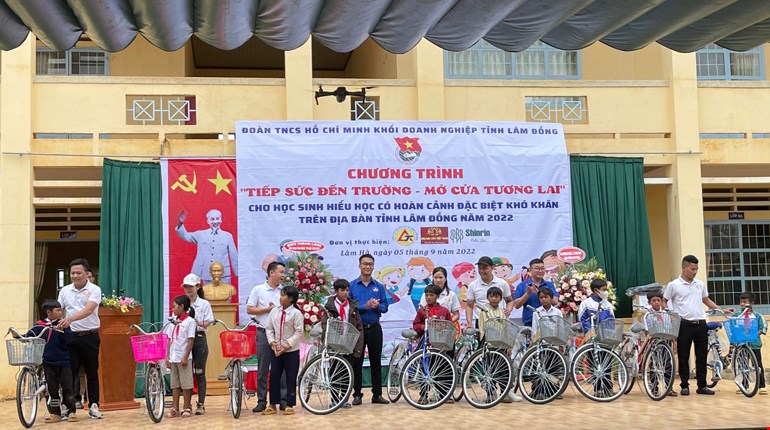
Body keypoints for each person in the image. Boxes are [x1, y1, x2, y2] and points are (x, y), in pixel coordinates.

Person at [664, 255, 733, 396]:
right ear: (684, 267)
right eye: (692, 269)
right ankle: (684, 385)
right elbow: (665, 300)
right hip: (684, 324)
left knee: (701, 356)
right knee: (683, 356)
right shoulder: (674, 285)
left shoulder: (700, 284)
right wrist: (669, 313)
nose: (694, 272)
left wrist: (721, 310)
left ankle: (702, 385)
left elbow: (706, 299)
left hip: (701, 323)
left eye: (696, 269)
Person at [16, 300, 77, 422]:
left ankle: (71, 411)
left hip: (63, 361)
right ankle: (55, 413)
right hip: (48, 362)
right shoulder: (39, 325)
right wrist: (18, 336)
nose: (61, 312)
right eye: (58, 310)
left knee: (67, 387)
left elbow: (69, 339)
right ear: (49, 312)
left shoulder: (63, 323)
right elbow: (30, 335)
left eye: (61, 310)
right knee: (51, 388)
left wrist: (64, 329)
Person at [56, 258, 103, 419]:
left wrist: (70, 319)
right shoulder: (65, 291)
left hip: (90, 336)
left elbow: (89, 310)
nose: (75, 276)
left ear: (86, 274)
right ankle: (69, 407)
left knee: (92, 372)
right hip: (70, 337)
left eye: (79, 273)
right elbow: (59, 310)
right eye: (73, 273)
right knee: (69, 373)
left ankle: (94, 405)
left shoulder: (95, 289)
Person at [246, 261, 287, 413]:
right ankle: (261, 401)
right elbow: (249, 309)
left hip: (281, 334)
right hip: (263, 333)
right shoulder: (258, 289)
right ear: (271, 273)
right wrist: (267, 309)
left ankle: (282, 401)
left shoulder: (283, 291)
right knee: (263, 369)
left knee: (281, 369)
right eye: (281, 272)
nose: (283, 275)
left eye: (284, 272)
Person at [349, 253, 390, 405]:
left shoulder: (378, 286)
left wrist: (378, 306)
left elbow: (385, 307)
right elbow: (349, 307)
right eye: (365, 264)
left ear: (373, 266)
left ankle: (377, 394)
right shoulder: (352, 285)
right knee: (357, 362)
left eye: (370, 264)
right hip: (357, 330)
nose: (368, 267)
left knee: (376, 362)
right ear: (359, 266)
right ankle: (357, 394)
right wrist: (364, 307)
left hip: (374, 328)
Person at [322, 279, 364, 408]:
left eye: (347, 290)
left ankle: (344, 398)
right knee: (335, 371)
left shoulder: (352, 307)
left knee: (347, 373)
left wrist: (357, 347)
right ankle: (334, 399)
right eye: (342, 290)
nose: (345, 293)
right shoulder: (329, 307)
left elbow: (359, 327)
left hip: (348, 344)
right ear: (335, 291)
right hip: (334, 343)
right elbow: (325, 325)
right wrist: (329, 340)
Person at [263, 285, 304, 416]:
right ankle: (272, 404)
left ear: (291, 299)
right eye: (281, 295)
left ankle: (289, 404)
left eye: (283, 295)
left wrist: (287, 345)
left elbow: (298, 332)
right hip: (276, 350)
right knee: (274, 376)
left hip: (291, 351)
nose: (280, 298)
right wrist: (272, 342)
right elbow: (269, 328)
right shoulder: (274, 311)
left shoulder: (296, 314)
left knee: (291, 378)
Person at [412, 284, 454, 405]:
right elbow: (415, 325)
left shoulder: (444, 311)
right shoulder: (422, 311)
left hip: (440, 346)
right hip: (426, 345)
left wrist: (442, 328)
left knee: (441, 370)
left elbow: (450, 326)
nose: (429, 297)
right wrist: (423, 326)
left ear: (437, 296)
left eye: (431, 295)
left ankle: (443, 394)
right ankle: (423, 395)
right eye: (427, 295)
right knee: (425, 370)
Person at [181, 273, 214, 414]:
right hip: (184, 341)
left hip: (199, 338)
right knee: (185, 373)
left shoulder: (204, 303)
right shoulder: (181, 302)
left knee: (199, 372)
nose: (188, 290)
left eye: (191, 287)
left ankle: (201, 403)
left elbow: (209, 321)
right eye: (186, 287)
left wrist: (198, 323)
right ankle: (186, 405)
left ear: (198, 287)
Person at [176, 208, 238, 284]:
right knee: (206, 295)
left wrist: (238, 273)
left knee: (224, 295)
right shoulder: (201, 234)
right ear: (208, 221)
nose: (215, 221)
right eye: (212, 219)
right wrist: (180, 223)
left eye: (217, 218)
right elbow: (186, 236)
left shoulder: (228, 236)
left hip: (223, 274)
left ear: (221, 220)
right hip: (206, 273)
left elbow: (234, 256)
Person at [167, 295, 197, 418]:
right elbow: (169, 339)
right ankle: (175, 408)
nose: (172, 309)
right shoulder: (172, 321)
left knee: (186, 384)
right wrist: (166, 356)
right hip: (173, 356)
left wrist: (185, 356)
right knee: (175, 384)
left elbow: (190, 341)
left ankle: (186, 407)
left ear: (182, 307)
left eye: (174, 306)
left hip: (183, 356)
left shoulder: (190, 321)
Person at [644, 291, 677, 397]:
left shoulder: (666, 314)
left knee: (668, 364)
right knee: (654, 364)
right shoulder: (648, 314)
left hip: (666, 341)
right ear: (649, 302)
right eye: (654, 300)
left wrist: (674, 343)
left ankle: (669, 388)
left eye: (659, 300)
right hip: (654, 341)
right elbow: (647, 330)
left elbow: (670, 329)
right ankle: (654, 387)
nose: (657, 303)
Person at [465, 256, 513, 328]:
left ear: (492, 267)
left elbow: (509, 301)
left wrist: (509, 309)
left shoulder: (502, 283)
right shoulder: (473, 285)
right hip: (481, 321)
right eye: (480, 268)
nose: (482, 271)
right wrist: (469, 322)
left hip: (499, 321)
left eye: (485, 268)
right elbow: (469, 305)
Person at [736, 292, 767, 395]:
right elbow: (733, 326)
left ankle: (762, 386)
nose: (742, 304)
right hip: (741, 345)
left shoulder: (757, 316)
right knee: (743, 365)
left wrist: (754, 334)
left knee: (757, 364)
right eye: (741, 302)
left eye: (744, 302)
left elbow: (763, 328)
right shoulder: (737, 315)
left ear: (751, 303)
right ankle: (744, 385)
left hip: (754, 345)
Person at [513, 258, 559, 327]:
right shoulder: (522, 285)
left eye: (542, 268)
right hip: (530, 323)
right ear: (530, 270)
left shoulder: (549, 285)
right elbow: (516, 305)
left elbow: (555, 301)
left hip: (548, 321)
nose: (540, 271)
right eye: (537, 268)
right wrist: (527, 294)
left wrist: (539, 294)